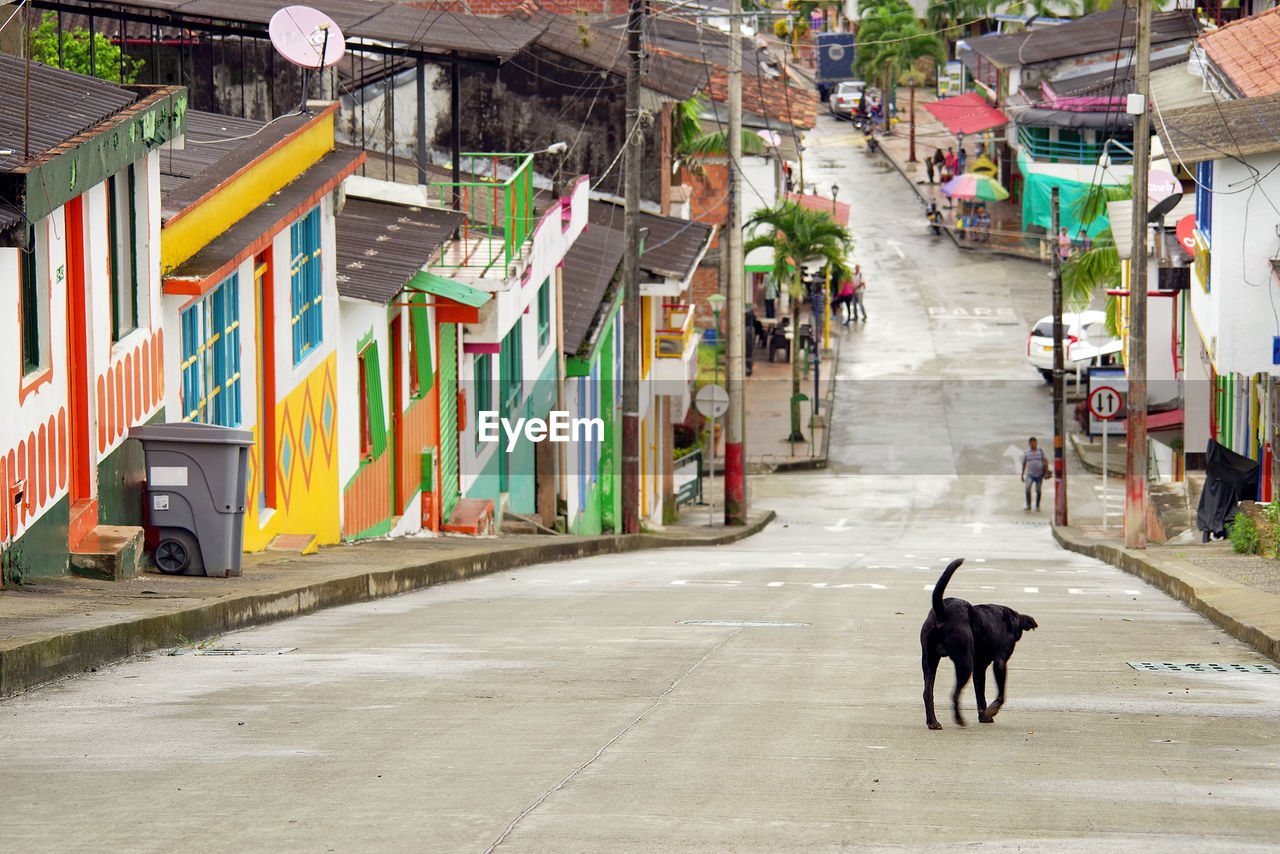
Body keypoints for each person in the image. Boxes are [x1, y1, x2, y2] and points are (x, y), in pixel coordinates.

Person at [1021, 436, 1050, 511]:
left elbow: (1046, 462)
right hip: (1029, 474)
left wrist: (1046, 472)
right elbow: (1024, 463)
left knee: (1038, 490)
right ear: (1029, 444)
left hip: (1039, 475)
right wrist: (1022, 474)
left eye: (1034, 442)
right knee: (1027, 489)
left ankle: (1037, 505)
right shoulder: (1026, 453)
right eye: (1031, 442)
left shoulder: (1041, 451)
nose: (1033, 444)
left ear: (1037, 443)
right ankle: (1028, 505)